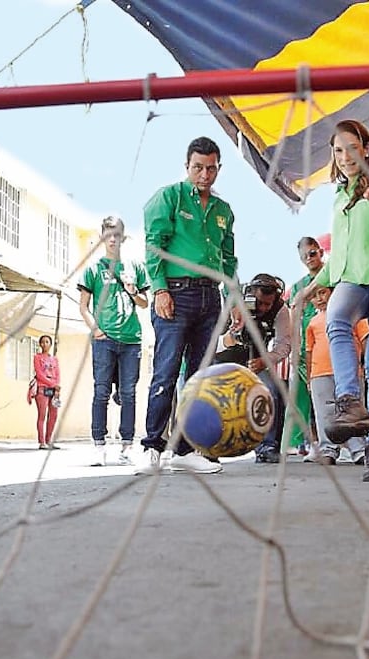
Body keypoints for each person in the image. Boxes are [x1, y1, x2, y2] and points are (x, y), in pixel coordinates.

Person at [300, 119, 369, 482]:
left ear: (365, 148)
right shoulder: (338, 198)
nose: (345, 156)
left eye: (352, 147)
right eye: (337, 150)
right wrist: (306, 289)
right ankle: (350, 401)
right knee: (336, 317)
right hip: (351, 280)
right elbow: (337, 259)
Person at [138, 136, 238, 475]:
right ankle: (152, 446)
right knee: (166, 371)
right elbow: (154, 245)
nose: (204, 175)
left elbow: (228, 259)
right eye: (198, 168)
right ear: (187, 166)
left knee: (200, 377)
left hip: (211, 298)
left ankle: (185, 450)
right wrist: (160, 289)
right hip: (175, 295)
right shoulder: (168, 197)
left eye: (211, 169)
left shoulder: (224, 211)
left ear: (218, 169)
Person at [78, 216, 150, 466]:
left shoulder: (135, 267)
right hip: (104, 340)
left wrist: (132, 291)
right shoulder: (93, 269)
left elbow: (144, 303)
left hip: (131, 340)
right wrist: (95, 329)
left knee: (128, 393)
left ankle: (127, 446)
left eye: (116, 234)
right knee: (101, 392)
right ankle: (99, 445)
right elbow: (84, 306)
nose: (112, 239)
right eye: (107, 234)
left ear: (123, 237)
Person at [215, 273, 291, 464]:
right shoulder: (230, 303)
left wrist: (266, 360)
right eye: (259, 303)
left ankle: (268, 446)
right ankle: (211, 447)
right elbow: (208, 345)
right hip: (223, 361)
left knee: (273, 391)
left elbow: (284, 345)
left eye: (268, 304)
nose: (264, 308)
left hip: (257, 362)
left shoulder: (281, 309)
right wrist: (229, 339)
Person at [304, 285, 369, 465]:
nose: (319, 298)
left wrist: (366, 365)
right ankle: (328, 449)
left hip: (349, 374)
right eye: (314, 296)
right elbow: (309, 351)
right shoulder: (313, 322)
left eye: (322, 292)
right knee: (324, 413)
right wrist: (310, 377)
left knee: (351, 409)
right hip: (319, 374)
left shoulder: (351, 314)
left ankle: (358, 449)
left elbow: (365, 340)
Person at [285, 236, 325, 455]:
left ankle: (331, 441)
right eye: (304, 257)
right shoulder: (298, 286)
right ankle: (304, 441)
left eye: (312, 253)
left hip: (328, 343)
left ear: (320, 251)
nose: (309, 259)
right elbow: (294, 317)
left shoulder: (332, 276)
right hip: (305, 347)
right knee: (302, 396)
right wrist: (293, 348)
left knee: (325, 396)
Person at [33, 335, 61, 450]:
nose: (45, 344)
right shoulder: (37, 357)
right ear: (40, 344)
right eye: (42, 342)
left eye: (47, 342)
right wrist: (52, 384)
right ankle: (42, 441)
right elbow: (40, 374)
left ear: (50, 344)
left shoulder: (54, 359)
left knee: (53, 415)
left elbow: (58, 374)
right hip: (42, 388)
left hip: (54, 390)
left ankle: (49, 440)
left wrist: (57, 386)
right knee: (42, 415)